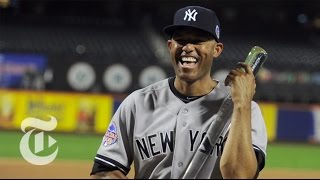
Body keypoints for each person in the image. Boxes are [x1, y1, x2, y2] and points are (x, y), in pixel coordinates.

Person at [90, 5, 267, 179]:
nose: (188, 47)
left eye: (198, 40)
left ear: (217, 49)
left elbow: (239, 176)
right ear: (170, 46)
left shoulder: (247, 111)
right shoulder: (137, 103)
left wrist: (241, 105)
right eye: (181, 40)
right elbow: (104, 171)